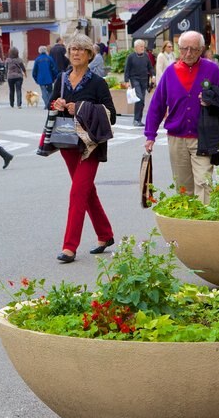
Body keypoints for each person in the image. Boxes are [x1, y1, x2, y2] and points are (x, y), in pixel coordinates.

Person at [46, 33, 116, 264]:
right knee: (86, 191)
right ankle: (105, 235)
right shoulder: (62, 79)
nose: (75, 53)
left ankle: (69, 246)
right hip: (67, 143)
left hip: (90, 145)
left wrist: (82, 108)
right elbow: (52, 105)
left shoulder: (97, 82)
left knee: (77, 192)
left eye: (80, 49)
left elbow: (111, 115)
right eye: (72, 49)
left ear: (89, 54)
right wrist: (56, 104)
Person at [144, 31, 219, 203]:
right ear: (179, 49)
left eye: (193, 49)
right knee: (184, 188)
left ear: (201, 50)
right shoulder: (170, 73)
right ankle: (188, 224)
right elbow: (157, 105)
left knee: (203, 182)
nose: (188, 53)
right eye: (184, 49)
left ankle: (204, 225)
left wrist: (211, 101)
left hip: (204, 136)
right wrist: (150, 135)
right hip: (177, 138)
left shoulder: (212, 69)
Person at [125, 39, 155, 127]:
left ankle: (139, 119)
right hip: (135, 79)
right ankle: (136, 119)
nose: (143, 48)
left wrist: (153, 75)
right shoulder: (131, 57)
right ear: (136, 47)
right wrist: (126, 81)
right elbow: (127, 70)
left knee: (142, 101)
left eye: (143, 46)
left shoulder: (146, 56)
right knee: (139, 98)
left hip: (144, 80)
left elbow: (150, 67)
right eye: (141, 46)